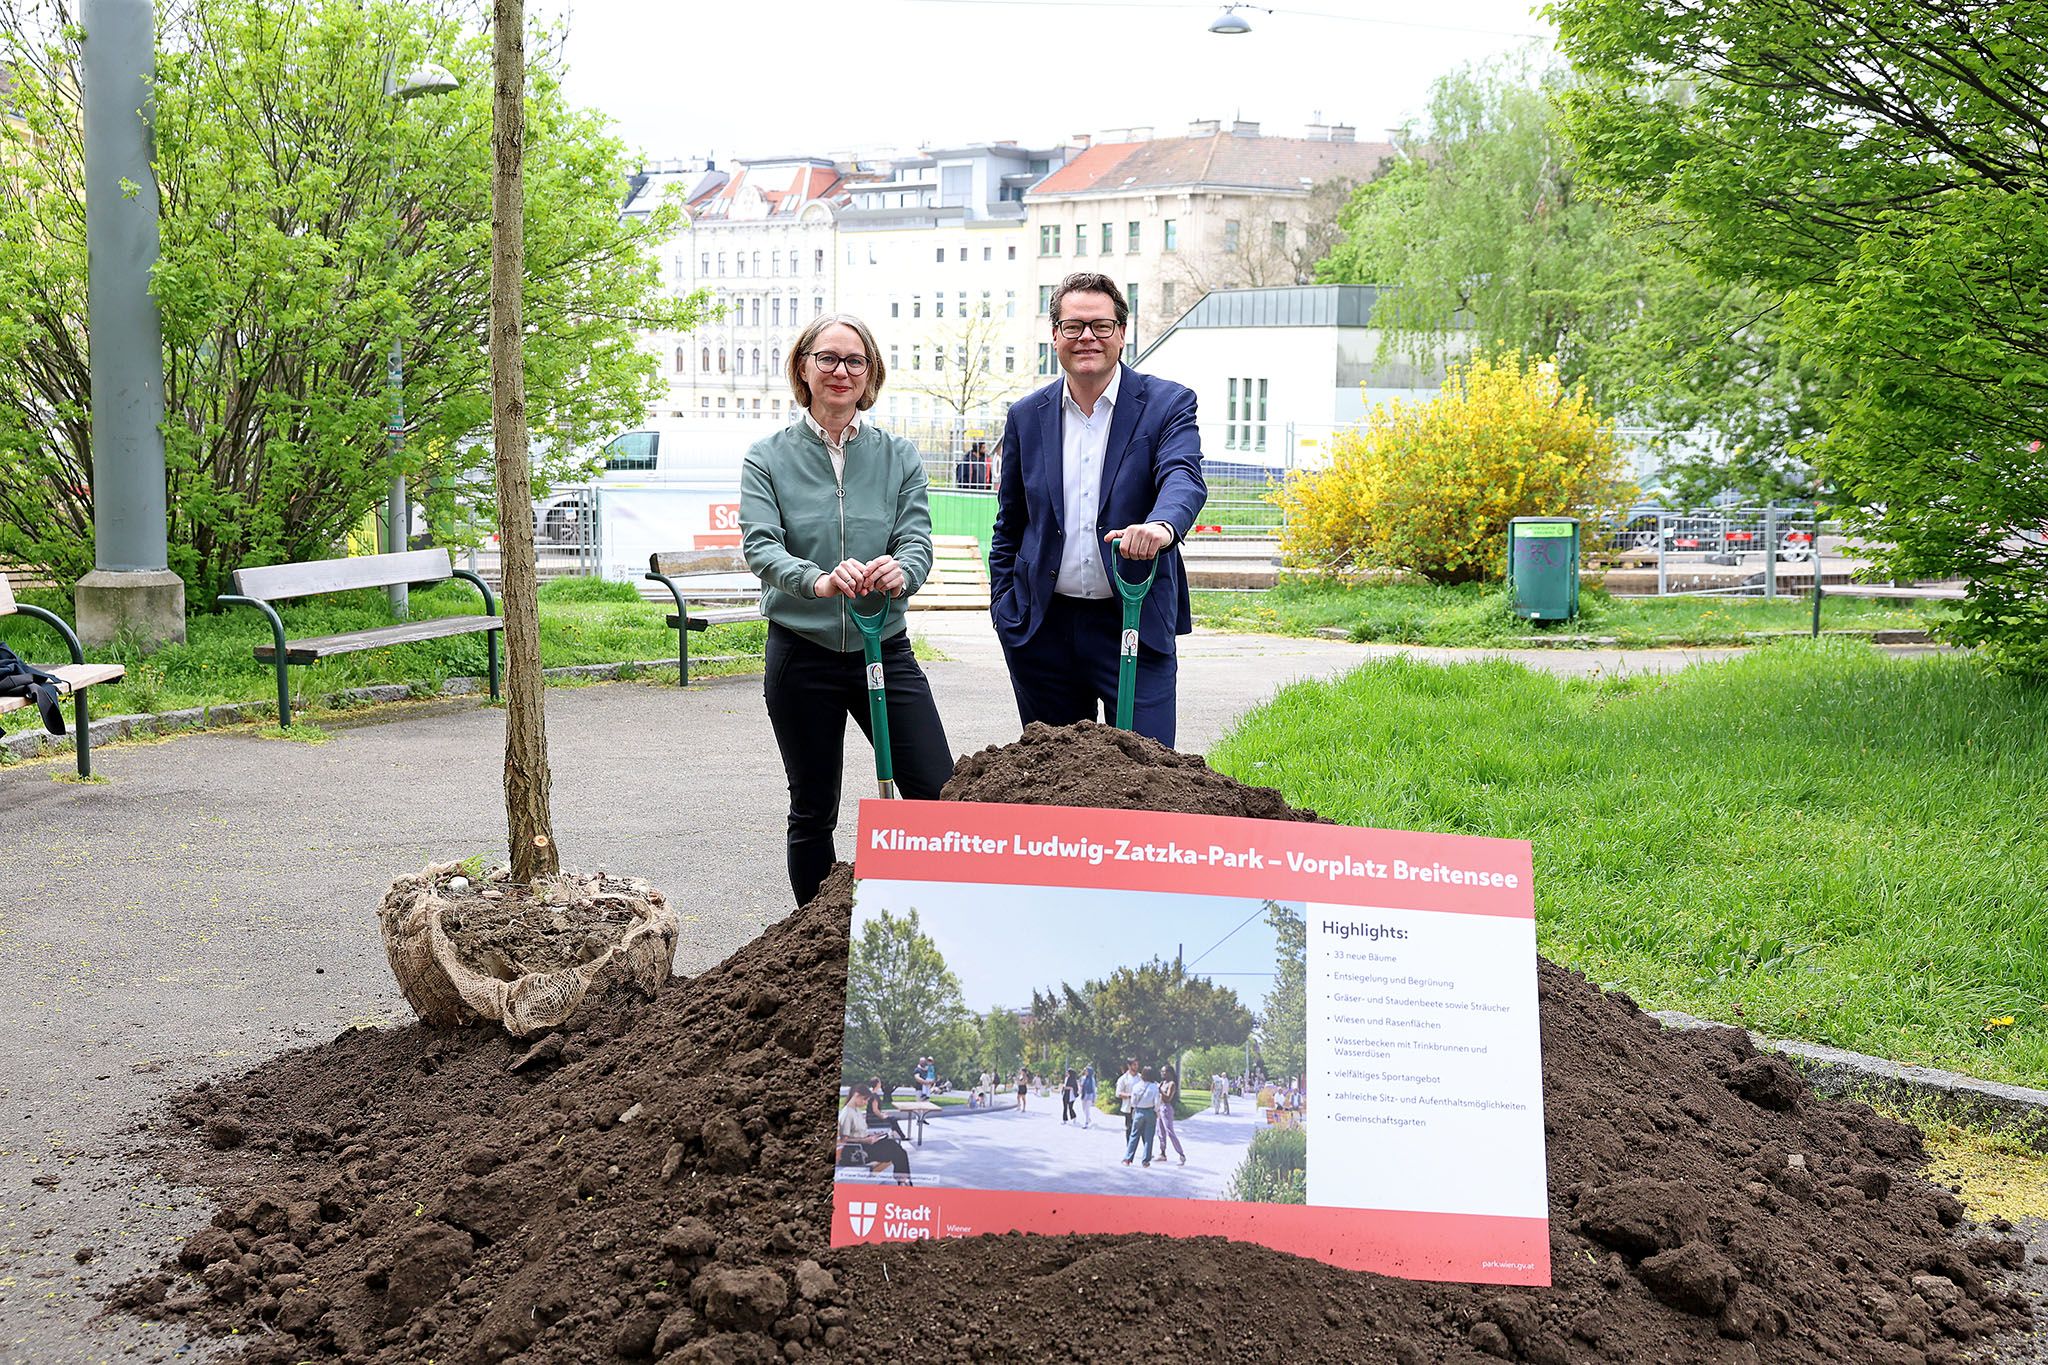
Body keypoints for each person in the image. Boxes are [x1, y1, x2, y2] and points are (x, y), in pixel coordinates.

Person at [742, 314, 955, 907]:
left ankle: (936, 916)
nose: (841, 371)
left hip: (882, 646)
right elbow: (761, 545)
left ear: (870, 375)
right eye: (828, 358)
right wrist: (815, 581)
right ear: (803, 367)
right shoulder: (768, 458)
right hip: (801, 652)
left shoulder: (899, 456)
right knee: (813, 806)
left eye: (854, 361)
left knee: (937, 789)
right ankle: (813, 947)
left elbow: (916, 539)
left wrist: (902, 570)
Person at [988, 272, 1207, 747]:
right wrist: (1004, 607)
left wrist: (1162, 526)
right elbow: (1011, 522)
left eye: (1102, 326)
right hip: (1043, 627)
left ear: (1122, 334)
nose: (1087, 337)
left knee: (1146, 777)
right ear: (1055, 336)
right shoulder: (1027, 415)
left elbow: (1182, 475)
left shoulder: (1167, 403)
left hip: (1133, 618)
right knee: (1057, 781)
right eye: (1074, 326)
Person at [838, 1085, 912, 1185]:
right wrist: (866, 1140)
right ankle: (903, 1180)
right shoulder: (846, 1113)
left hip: (864, 1146)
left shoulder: (856, 1111)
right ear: (856, 1095)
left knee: (895, 1146)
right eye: (865, 1100)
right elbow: (844, 1139)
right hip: (856, 1152)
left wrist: (873, 1135)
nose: (865, 1103)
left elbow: (859, 1133)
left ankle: (903, 1180)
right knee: (896, 1150)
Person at [1123, 1066, 1162, 1167]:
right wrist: (1156, 1111)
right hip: (1150, 1112)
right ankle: (1145, 1160)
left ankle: (1128, 1158)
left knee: (1134, 1135)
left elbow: (1133, 1102)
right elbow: (1157, 1102)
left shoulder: (1136, 1086)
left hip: (1139, 1112)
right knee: (1149, 1137)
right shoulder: (1155, 1087)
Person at [1156, 1063, 1187, 1166]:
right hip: (1159, 1108)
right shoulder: (1162, 1082)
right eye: (1161, 1071)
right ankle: (1163, 1153)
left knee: (1169, 1132)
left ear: (1169, 1073)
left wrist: (1159, 1090)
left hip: (1166, 1109)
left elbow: (1168, 1098)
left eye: (1164, 1071)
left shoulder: (1171, 1084)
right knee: (1160, 1132)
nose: (1162, 1073)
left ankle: (1181, 1155)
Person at [865, 1076, 908, 1140]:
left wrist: (883, 1114)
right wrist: (882, 1116)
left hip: (871, 1118)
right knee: (893, 1119)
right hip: (873, 1120)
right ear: (877, 1084)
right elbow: (875, 1110)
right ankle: (901, 1137)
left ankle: (898, 1136)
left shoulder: (871, 1094)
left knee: (892, 1119)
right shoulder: (874, 1096)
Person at [1115, 1058, 1142, 1144]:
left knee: (1141, 1128)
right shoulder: (1123, 1079)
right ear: (1129, 1066)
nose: (1136, 1067)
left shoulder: (1141, 1077)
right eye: (1134, 1065)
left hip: (1140, 1106)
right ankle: (1129, 1147)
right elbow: (1118, 1093)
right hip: (1129, 1107)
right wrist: (1130, 1095)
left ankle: (1146, 1150)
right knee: (1129, 1128)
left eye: (1137, 1065)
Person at [1079, 1064, 1097, 1128]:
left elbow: (1094, 1089)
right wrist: (1079, 1091)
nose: (1085, 1072)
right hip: (1084, 1094)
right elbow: (1081, 1086)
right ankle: (1088, 1118)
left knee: (1087, 1109)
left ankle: (1086, 1123)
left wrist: (1094, 1098)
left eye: (1087, 1071)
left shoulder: (1092, 1079)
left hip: (1090, 1095)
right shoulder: (1083, 1078)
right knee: (1083, 1108)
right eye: (1085, 1071)